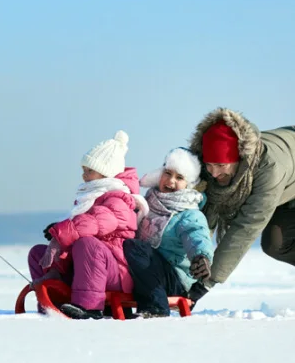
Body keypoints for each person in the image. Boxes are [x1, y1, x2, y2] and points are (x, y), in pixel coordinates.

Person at [27, 131, 147, 319]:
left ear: (105, 172)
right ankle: (52, 303)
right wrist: (59, 232)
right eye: (83, 170)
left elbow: (96, 222)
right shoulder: (88, 198)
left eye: (89, 171)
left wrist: (62, 233)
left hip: (114, 272)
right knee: (38, 253)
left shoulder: (119, 200)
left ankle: (89, 307)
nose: (84, 176)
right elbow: (81, 224)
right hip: (84, 268)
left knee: (88, 244)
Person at [185, 108, 295, 304]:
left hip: (286, 176)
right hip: (287, 190)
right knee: (275, 243)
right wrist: (191, 266)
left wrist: (206, 283)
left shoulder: (269, 169)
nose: (214, 173)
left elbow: (246, 226)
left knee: (275, 240)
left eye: (221, 165)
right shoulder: (210, 172)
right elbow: (202, 222)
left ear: (238, 158)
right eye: (210, 165)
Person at [123, 148, 215, 317]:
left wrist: (200, 257)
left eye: (179, 177)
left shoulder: (189, 213)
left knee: (134, 247)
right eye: (168, 173)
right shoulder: (147, 204)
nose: (171, 181)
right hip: (145, 274)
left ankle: (156, 308)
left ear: (189, 184)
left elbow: (195, 234)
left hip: (174, 279)